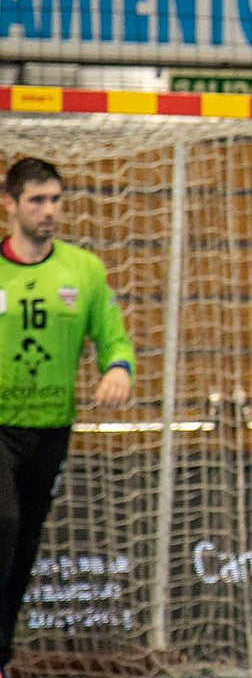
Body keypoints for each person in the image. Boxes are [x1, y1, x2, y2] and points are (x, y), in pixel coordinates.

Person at [0, 158, 135, 677]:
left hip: (52, 426)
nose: (49, 210)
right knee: (2, 525)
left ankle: (1, 656)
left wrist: (118, 368)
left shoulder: (84, 270)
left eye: (56, 199)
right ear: (10, 204)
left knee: (25, 546)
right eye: (37, 200)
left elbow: (114, 336)